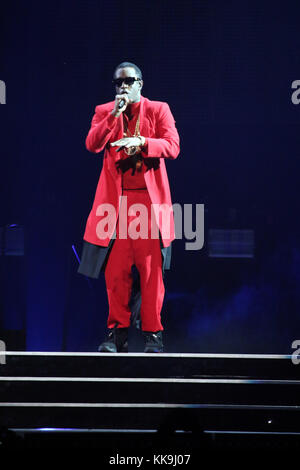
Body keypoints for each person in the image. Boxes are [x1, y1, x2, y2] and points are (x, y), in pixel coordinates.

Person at [78, 61, 180, 353]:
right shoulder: (104, 111)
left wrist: (143, 141)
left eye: (129, 81)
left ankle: (152, 335)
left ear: (140, 83)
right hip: (115, 206)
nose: (122, 86)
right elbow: (92, 144)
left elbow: (173, 146)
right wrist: (113, 116)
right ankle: (116, 334)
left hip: (148, 205)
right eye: (118, 83)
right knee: (116, 272)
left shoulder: (158, 109)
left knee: (150, 273)